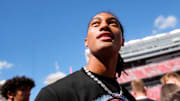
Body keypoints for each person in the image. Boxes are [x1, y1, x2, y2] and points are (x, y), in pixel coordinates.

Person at [35, 11, 136, 101]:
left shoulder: (127, 96)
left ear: (122, 41)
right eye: (95, 24)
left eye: (112, 23)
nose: (104, 26)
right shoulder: (54, 94)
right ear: (86, 42)